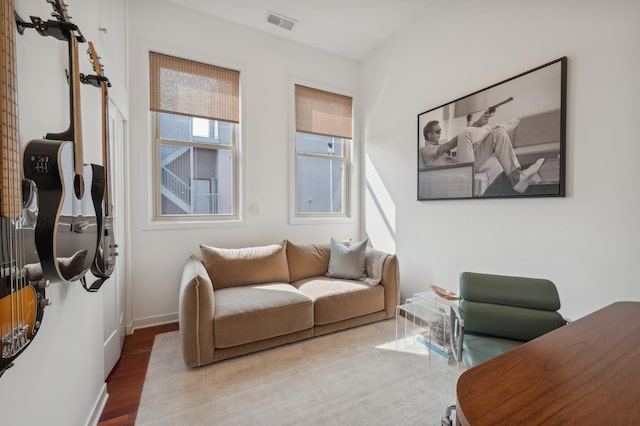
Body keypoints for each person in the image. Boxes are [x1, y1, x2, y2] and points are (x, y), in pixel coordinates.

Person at [420, 114, 545, 193]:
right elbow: (450, 144)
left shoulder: (439, 145)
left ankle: (517, 178)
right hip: (458, 171)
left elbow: (457, 142)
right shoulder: (427, 150)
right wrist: (482, 128)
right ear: (429, 134)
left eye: (440, 131)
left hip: (464, 165)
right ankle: (499, 126)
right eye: (437, 131)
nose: (440, 133)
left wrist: (478, 124)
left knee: (498, 134)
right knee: (465, 133)